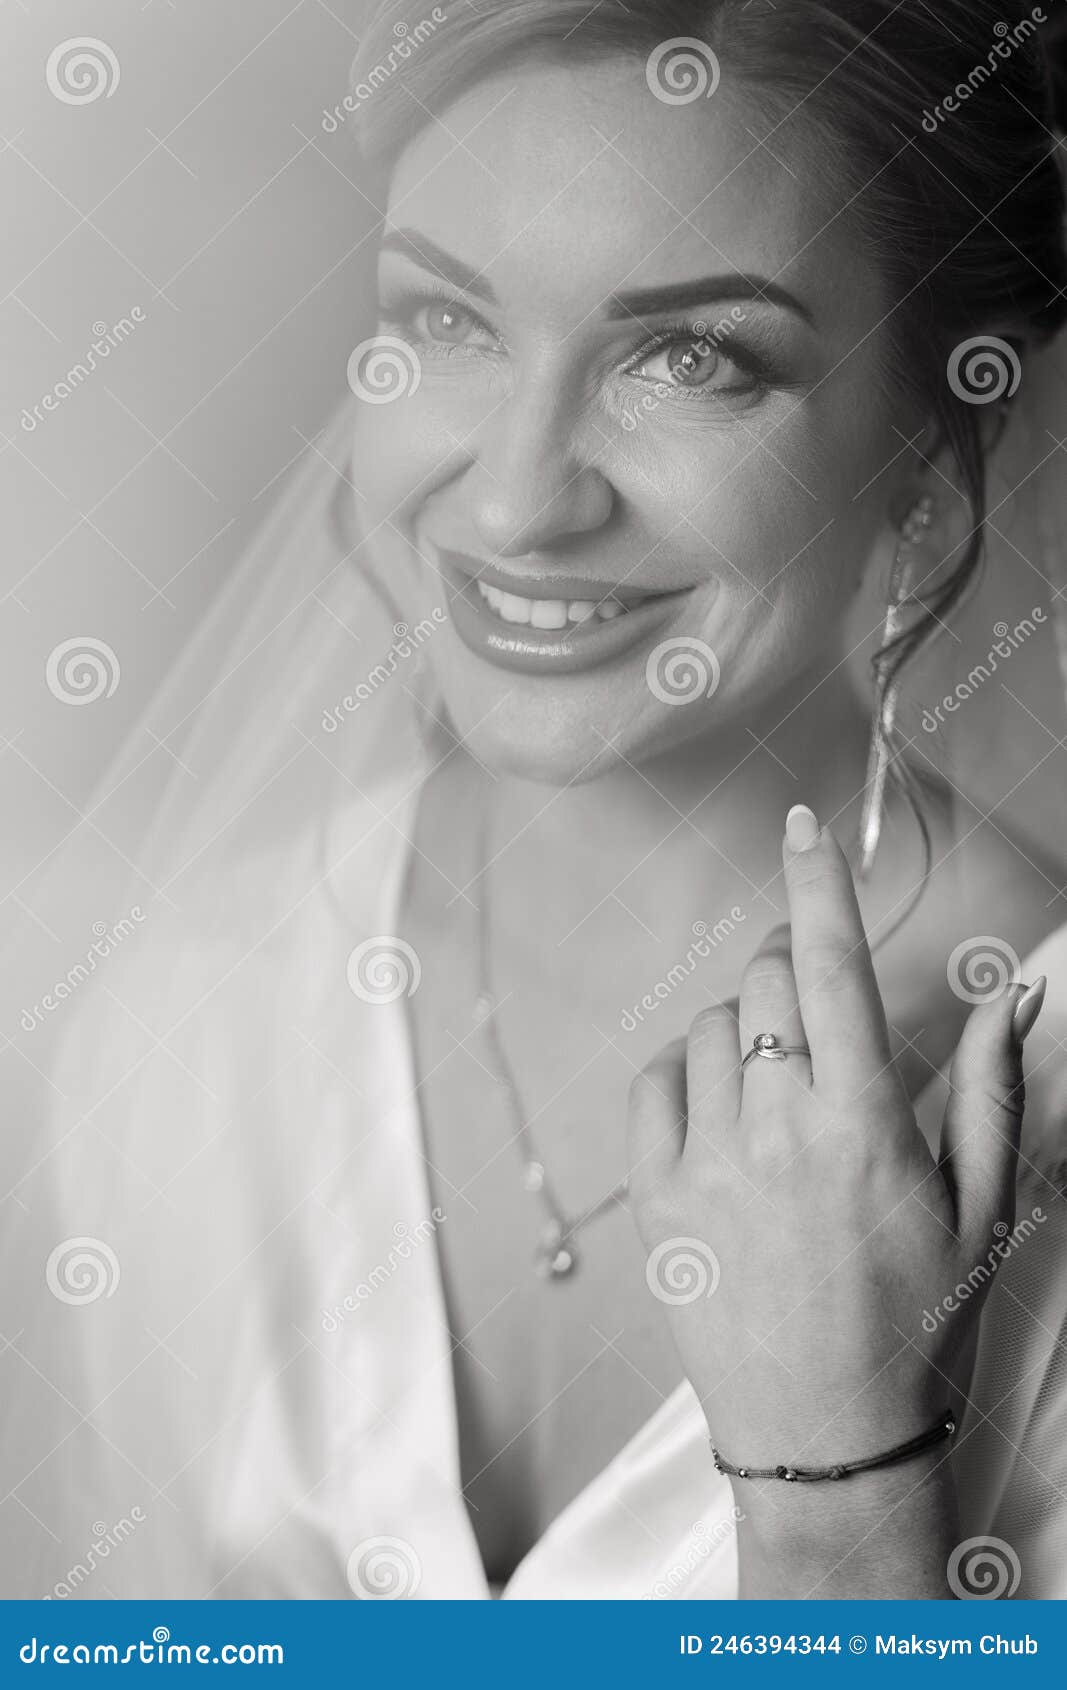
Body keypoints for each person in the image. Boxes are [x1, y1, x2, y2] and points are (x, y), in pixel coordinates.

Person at [3, 0, 1067, 1600]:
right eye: (446, 323)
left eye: (692, 356)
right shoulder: (172, 1017)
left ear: (921, 463)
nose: (513, 496)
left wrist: (843, 1477)